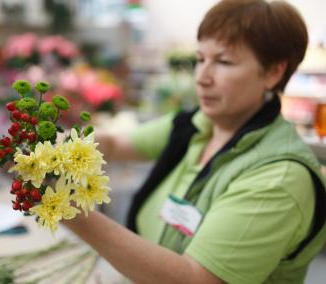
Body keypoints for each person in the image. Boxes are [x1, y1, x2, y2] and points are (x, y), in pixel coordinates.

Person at [63, 0, 326, 283]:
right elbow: (115, 145)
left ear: (273, 72)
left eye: (223, 62)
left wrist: (73, 213)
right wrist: (63, 149)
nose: (202, 77)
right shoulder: (196, 125)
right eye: (200, 59)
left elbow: (196, 278)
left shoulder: (279, 179)